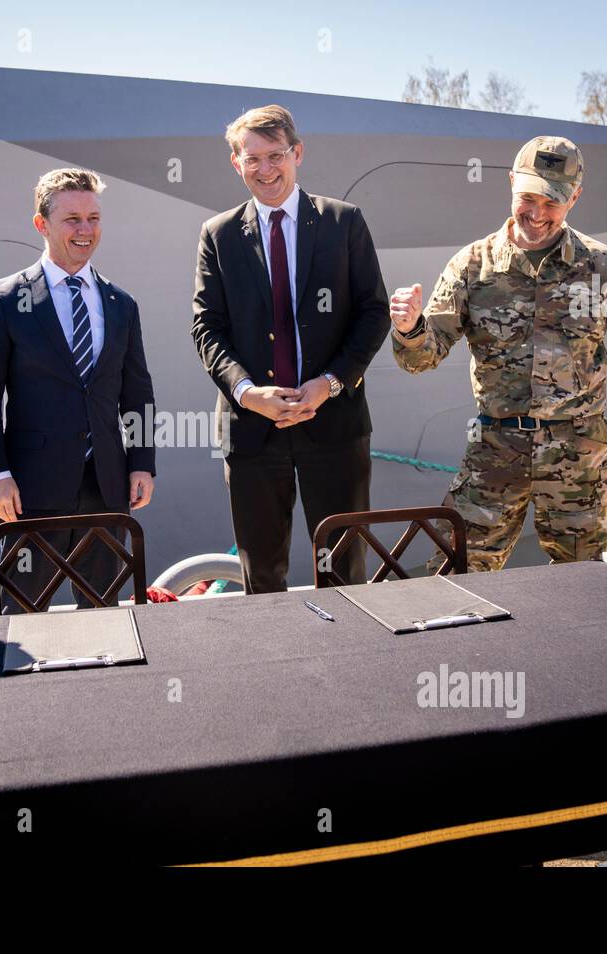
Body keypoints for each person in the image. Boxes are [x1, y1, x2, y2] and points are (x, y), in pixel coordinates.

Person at [389, 135, 607, 571]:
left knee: (585, 585)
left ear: (575, 197)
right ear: (510, 185)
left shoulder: (603, 266)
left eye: (552, 202)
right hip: (495, 451)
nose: (537, 214)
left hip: (579, 457)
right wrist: (410, 329)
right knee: (456, 575)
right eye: (528, 198)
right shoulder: (472, 266)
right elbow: (422, 357)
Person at [191, 105, 390, 593]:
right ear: (236, 163)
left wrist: (330, 383)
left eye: (275, 155)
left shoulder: (344, 223)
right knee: (261, 576)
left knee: (344, 572)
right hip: (253, 433)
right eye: (251, 158)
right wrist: (246, 392)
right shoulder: (218, 236)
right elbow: (206, 327)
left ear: (296, 153)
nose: (265, 169)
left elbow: (373, 312)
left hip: (335, 426)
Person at [0, 168, 156, 611]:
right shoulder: (4, 300)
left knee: (105, 613)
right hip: (30, 492)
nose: (85, 230)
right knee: (25, 617)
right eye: (72, 219)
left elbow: (138, 392)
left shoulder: (121, 304)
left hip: (106, 488)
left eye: (93, 218)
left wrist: (142, 463)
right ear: (42, 224)